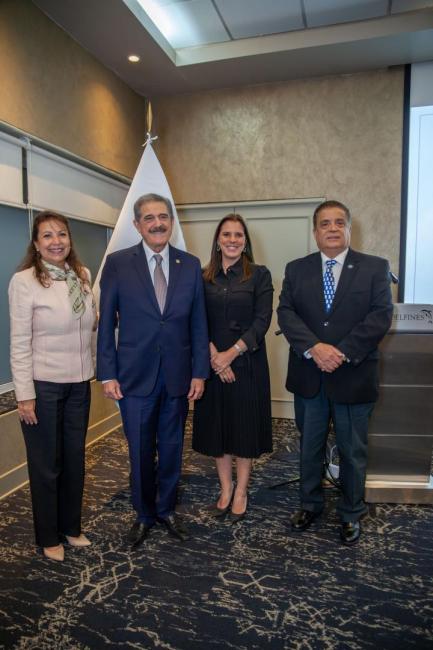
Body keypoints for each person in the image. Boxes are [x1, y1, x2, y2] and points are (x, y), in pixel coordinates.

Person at [277, 199, 393, 545]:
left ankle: (351, 512)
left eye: (339, 222)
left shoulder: (374, 267)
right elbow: (286, 313)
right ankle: (309, 504)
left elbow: (380, 316)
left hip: (353, 375)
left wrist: (339, 353)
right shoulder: (297, 269)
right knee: (309, 447)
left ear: (349, 229)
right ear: (315, 232)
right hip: (309, 376)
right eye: (324, 223)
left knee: (352, 450)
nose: (332, 229)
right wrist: (315, 348)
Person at [97, 193, 209, 547]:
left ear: (171, 221)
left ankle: (166, 509)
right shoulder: (118, 264)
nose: (157, 223)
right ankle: (144, 514)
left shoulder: (190, 264)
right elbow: (106, 324)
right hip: (134, 377)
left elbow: (198, 324)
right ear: (137, 225)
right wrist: (107, 373)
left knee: (173, 448)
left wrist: (199, 372)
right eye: (149, 218)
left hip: (178, 376)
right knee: (140, 451)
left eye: (163, 216)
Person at [8, 211, 97, 561]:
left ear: (69, 240)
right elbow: (19, 342)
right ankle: (48, 536)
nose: (56, 241)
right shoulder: (24, 281)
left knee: (75, 459)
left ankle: (71, 527)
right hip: (42, 386)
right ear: (36, 243)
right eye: (47, 235)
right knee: (47, 464)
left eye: (62, 234)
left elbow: (88, 328)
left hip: (79, 384)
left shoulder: (82, 275)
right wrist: (24, 395)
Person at [192, 214, 273, 522]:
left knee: (243, 430)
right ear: (218, 240)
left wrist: (231, 354)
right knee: (219, 430)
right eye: (226, 234)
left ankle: (241, 491)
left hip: (247, 364)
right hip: (212, 363)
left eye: (238, 235)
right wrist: (215, 357)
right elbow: (196, 320)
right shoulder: (203, 277)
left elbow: (262, 321)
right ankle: (225, 489)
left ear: (245, 240)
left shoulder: (259, 275)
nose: (232, 240)